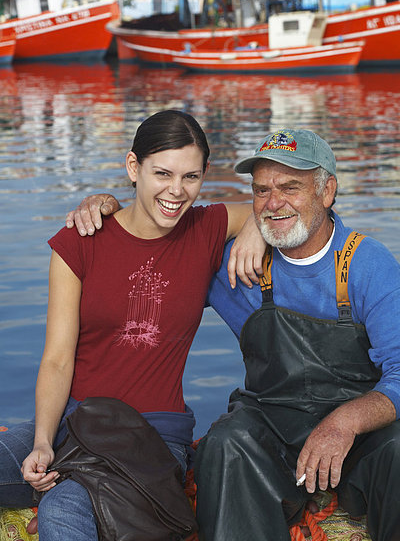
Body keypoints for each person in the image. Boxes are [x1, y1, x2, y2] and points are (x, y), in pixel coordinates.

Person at [74, 128, 400, 541]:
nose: (273, 202)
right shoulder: (232, 266)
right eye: (261, 191)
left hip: (361, 437)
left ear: (327, 191)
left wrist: (346, 421)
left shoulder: (368, 263)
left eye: (289, 187)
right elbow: (151, 235)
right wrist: (105, 206)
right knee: (225, 444)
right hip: (272, 427)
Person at [0, 109, 265, 541]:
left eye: (191, 177)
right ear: (132, 167)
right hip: (74, 422)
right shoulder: (80, 241)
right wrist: (44, 442)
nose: (176, 191)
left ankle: (73, 493)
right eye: (162, 173)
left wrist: (254, 227)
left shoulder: (205, 228)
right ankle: (69, 480)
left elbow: (281, 206)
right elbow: (57, 359)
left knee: (63, 514)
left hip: (154, 437)